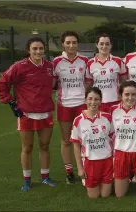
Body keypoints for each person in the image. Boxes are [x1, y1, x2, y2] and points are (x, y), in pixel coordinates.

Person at [0, 37, 57, 191]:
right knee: (27, 147)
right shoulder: (19, 66)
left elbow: (55, 84)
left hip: (46, 112)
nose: (38, 51)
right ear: (28, 50)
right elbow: (2, 84)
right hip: (26, 114)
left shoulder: (49, 66)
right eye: (34, 48)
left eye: (41, 48)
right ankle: (27, 180)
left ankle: (45, 177)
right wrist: (10, 102)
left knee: (44, 146)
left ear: (44, 50)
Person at [53, 30, 89, 184]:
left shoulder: (85, 60)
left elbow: (88, 82)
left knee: (85, 139)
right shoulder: (56, 62)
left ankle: (87, 169)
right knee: (66, 140)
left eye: (74, 42)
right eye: (68, 42)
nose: (71, 45)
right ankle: (69, 173)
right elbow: (51, 84)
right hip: (64, 105)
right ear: (63, 44)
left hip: (82, 104)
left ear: (77, 44)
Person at [70, 87, 114, 198]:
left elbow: (113, 140)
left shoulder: (107, 118)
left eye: (96, 99)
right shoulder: (78, 120)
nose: (93, 102)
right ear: (85, 100)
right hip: (90, 163)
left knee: (105, 196)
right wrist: (80, 168)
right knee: (94, 197)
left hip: (107, 161)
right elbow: (76, 146)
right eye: (90, 99)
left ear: (100, 101)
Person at [110, 80, 136, 197]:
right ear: (121, 95)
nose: (130, 98)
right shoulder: (113, 110)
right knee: (119, 194)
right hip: (121, 153)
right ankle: (127, 177)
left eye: (133, 94)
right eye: (127, 94)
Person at [85, 33, 128, 113]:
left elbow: (124, 81)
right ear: (96, 45)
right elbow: (88, 84)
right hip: (97, 102)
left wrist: (121, 95)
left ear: (111, 45)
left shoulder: (118, 61)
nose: (104, 46)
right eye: (101, 44)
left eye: (107, 44)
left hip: (115, 101)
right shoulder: (90, 63)